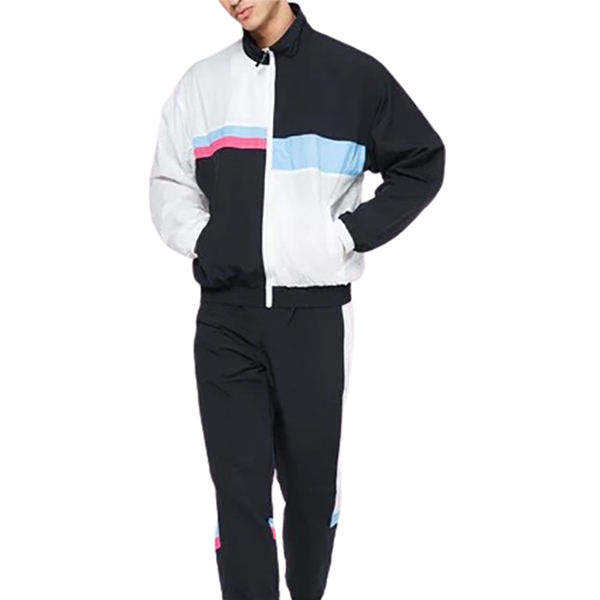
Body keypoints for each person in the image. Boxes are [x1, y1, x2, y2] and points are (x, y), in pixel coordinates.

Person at [150, 1, 444, 598]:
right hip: (226, 316)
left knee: (311, 490)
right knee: (239, 494)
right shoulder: (202, 83)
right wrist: (207, 240)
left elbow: (422, 161)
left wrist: (346, 236)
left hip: (312, 317)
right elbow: (169, 183)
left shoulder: (353, 76)